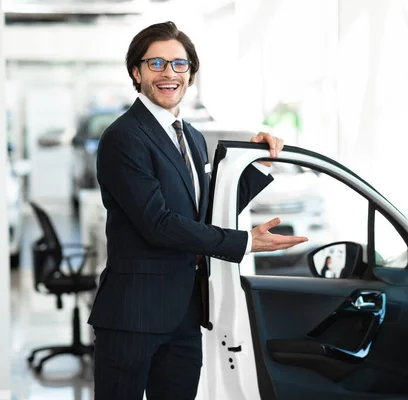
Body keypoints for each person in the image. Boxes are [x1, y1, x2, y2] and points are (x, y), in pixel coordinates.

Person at [87, 21, 308, 400]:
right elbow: (159, 224)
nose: (169, 73)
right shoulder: (123, 136)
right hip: (133, 317)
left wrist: (256, 165)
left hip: (185, 314)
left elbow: (202, 214)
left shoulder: (190, 137)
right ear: (136, 73)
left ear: (191, 74)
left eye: (179, 64)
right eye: (156, 63)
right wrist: (244, 243)